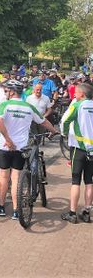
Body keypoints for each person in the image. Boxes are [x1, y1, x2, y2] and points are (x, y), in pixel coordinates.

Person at [0, 80, 58, 219]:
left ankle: (1, 207)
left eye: (7, 91)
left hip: (5, 147)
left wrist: (8, 140)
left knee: (3, 177)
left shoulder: (5, 105)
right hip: (21, 148)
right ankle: (17, 211)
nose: (6, 93)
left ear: (12, 92)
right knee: (16, 177)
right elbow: (43, 121)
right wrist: (54, 131)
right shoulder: (29, 106)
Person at [60, 83, 93, 224]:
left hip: (79, 148)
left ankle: (72, 213)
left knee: (75, 181)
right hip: (92, 149)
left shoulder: (78, 105)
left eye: (76, 93)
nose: (74, 94)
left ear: (82, 94)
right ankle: (86, 212)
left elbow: (65, 121)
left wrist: (65, 133)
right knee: (89, 181)